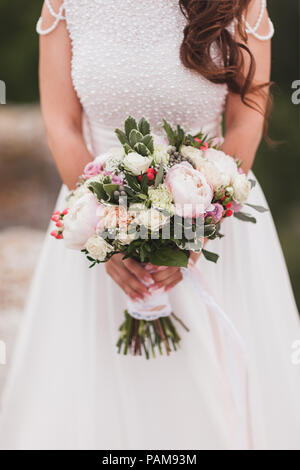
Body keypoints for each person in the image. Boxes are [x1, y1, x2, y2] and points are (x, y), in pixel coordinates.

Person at [0, 0, 299, 450]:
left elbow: (245, 121)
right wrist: (109, 233)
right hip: (98, 217)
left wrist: (192, 231)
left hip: (212, 220)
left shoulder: (241, 4)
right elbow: (61, 124)